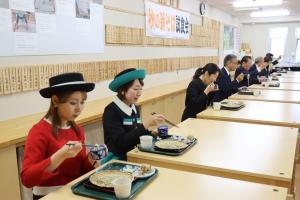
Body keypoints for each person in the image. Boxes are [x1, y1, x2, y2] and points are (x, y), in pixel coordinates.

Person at [21, 72, 108, 200]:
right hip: (49, 196)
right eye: (73, 103)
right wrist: (60, 155)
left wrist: (91, 158)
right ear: (55, 101)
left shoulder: (77, 130)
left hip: (75, 192)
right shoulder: (39, 132)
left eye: (83, 102)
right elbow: (27, 179)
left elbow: (81, 172)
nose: (79, 109)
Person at [103, 68, 165, 160]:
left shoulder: (134, 107)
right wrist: (145, 124)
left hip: (134, 154)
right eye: (135, 89)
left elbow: (135, 133)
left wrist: (151, 133)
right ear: (122, 90)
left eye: (140, 89)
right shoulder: (111, 111)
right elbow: (121, 142)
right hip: (118, 159)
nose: (139, 93)